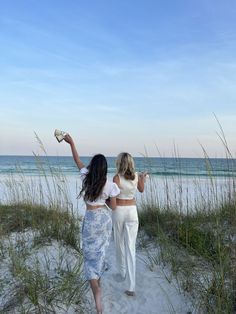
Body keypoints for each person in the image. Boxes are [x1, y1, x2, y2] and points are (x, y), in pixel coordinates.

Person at [63, 134, 120, 314]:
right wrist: (110, 197)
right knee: (100, 252)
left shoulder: (86, 177)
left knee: (89, 256)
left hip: (91, 219)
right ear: (105, 169)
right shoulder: (110, 185)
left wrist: (71, 142)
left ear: (93, 166)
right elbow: (113, 207)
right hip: (104, 220)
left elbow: (77, 160)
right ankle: (99, 282)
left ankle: (97, 296)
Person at [112, 152, 147, 297]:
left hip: (119, 211)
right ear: (131, 163)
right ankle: (131, 286)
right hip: (132, 212)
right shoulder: (137, 176)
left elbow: (112, 201)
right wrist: (143, 178)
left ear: (120, 163)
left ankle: (122, 272)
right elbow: (141, 189)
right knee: (130, 247)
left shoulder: (116, 178)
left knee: (119, 244)